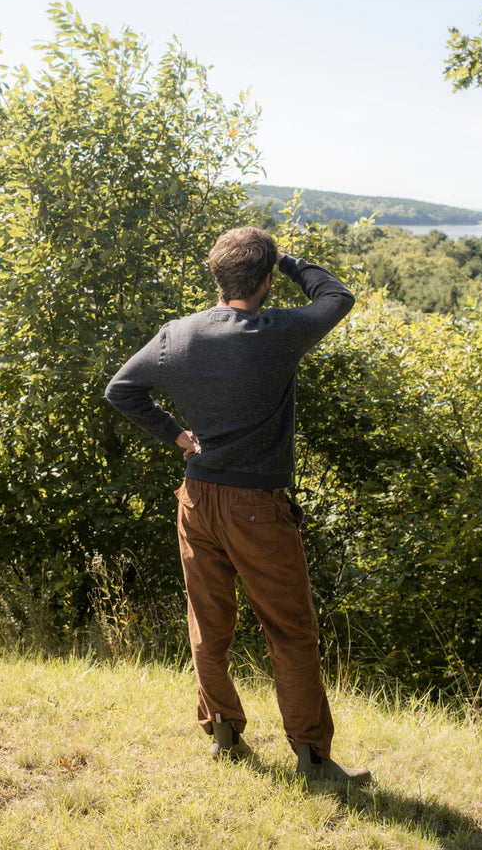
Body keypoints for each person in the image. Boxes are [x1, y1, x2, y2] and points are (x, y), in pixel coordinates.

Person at [105, 225, 370, 782]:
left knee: (208, 621)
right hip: (258, 508)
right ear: (268, 279)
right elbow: (337, 296)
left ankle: (223, 732)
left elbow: (122, 390)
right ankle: (312, 760)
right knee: (290, 630)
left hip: (196, 500)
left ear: (217, 275)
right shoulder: (278, 330)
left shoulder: (177, 335)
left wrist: (179, 437)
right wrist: (289, 257)